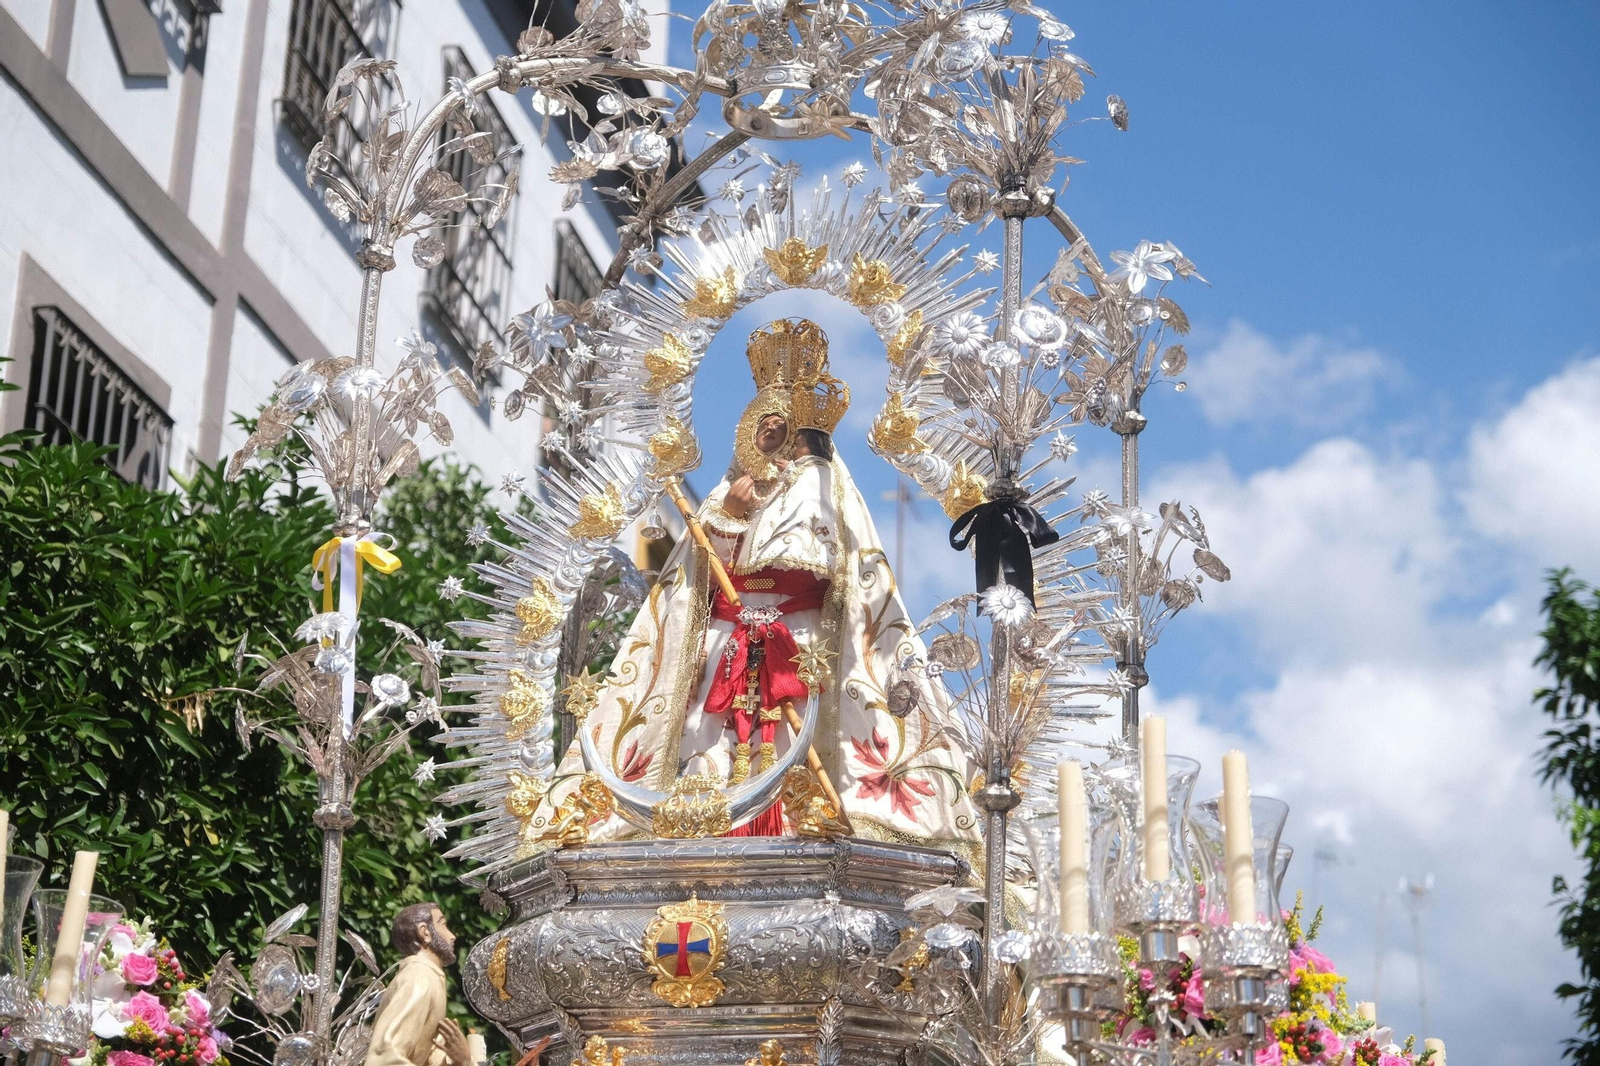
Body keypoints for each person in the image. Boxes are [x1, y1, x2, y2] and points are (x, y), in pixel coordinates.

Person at [556, 318, 979, 847]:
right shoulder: (725, 492)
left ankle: (800, 818)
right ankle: (706, 826)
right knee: (707, 744)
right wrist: (729, 517)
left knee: (800, 749)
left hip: (801, 640)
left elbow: (834, 563)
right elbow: (694, 576)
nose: (776, 440)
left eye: (787, 430)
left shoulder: (825, 485)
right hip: (726, 641)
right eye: (766, 427)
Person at [364, 903, 473, 1066]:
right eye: (443, 925)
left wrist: (462, 1061)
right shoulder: (418, 978)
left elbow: (428, 1056)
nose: (452, 936)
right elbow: (384, 1056)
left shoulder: (429, 977)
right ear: (425, 932)